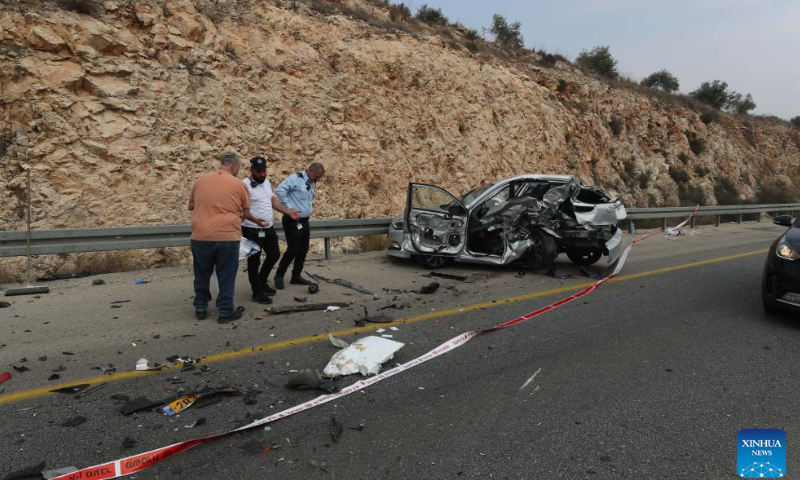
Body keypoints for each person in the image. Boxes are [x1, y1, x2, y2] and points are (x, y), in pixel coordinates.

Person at [188, 152, 268, 323]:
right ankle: (225, 312)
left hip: (200, 236)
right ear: (234, 166)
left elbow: (191, 206)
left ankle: (200, 308)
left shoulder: (200, 180)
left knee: (201, 273)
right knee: (226, 274)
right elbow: (245, 213)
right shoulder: (239, 185)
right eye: (238, 168)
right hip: (227, 237)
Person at [241, 156, 300, 304]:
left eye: (264, 171)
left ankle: (261, 281)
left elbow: (272, 201)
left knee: (274, 254)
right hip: (252, 229)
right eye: (259, 171)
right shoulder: (244, 185)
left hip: (268, 228)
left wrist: (287, 212)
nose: (262, 174)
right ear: (252, 170)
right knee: (254, 261)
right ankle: (257, 292)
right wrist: (255, 221)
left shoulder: (266, 182)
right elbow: (241, 208)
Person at [274, 162, 325, 289]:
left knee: (303, 249)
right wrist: (288, 208)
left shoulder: (312, 182)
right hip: (292, 220)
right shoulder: (296, 179)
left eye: (320, 177)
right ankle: (279, 275)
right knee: (293, 249)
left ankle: (296, 276)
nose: (318, 179)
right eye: (317, 176)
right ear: (311, 171)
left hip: (304, 221)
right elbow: (280, 190)